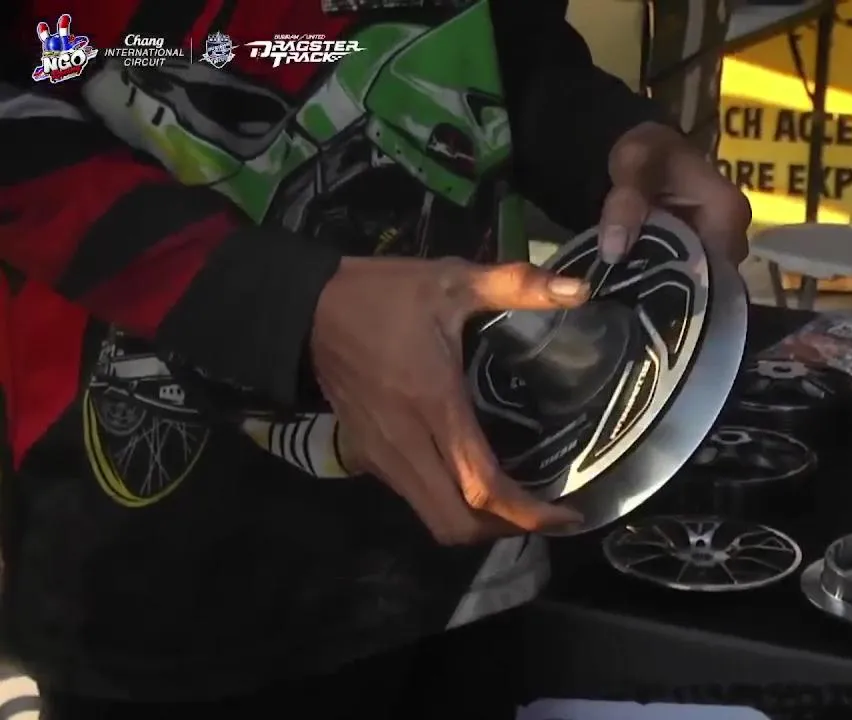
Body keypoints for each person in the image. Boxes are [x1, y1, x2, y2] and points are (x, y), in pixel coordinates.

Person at [0, 0, 751, 716]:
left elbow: (490, 41)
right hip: (169, 589)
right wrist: (290, 306)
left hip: (471, 536)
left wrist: (605, 135)